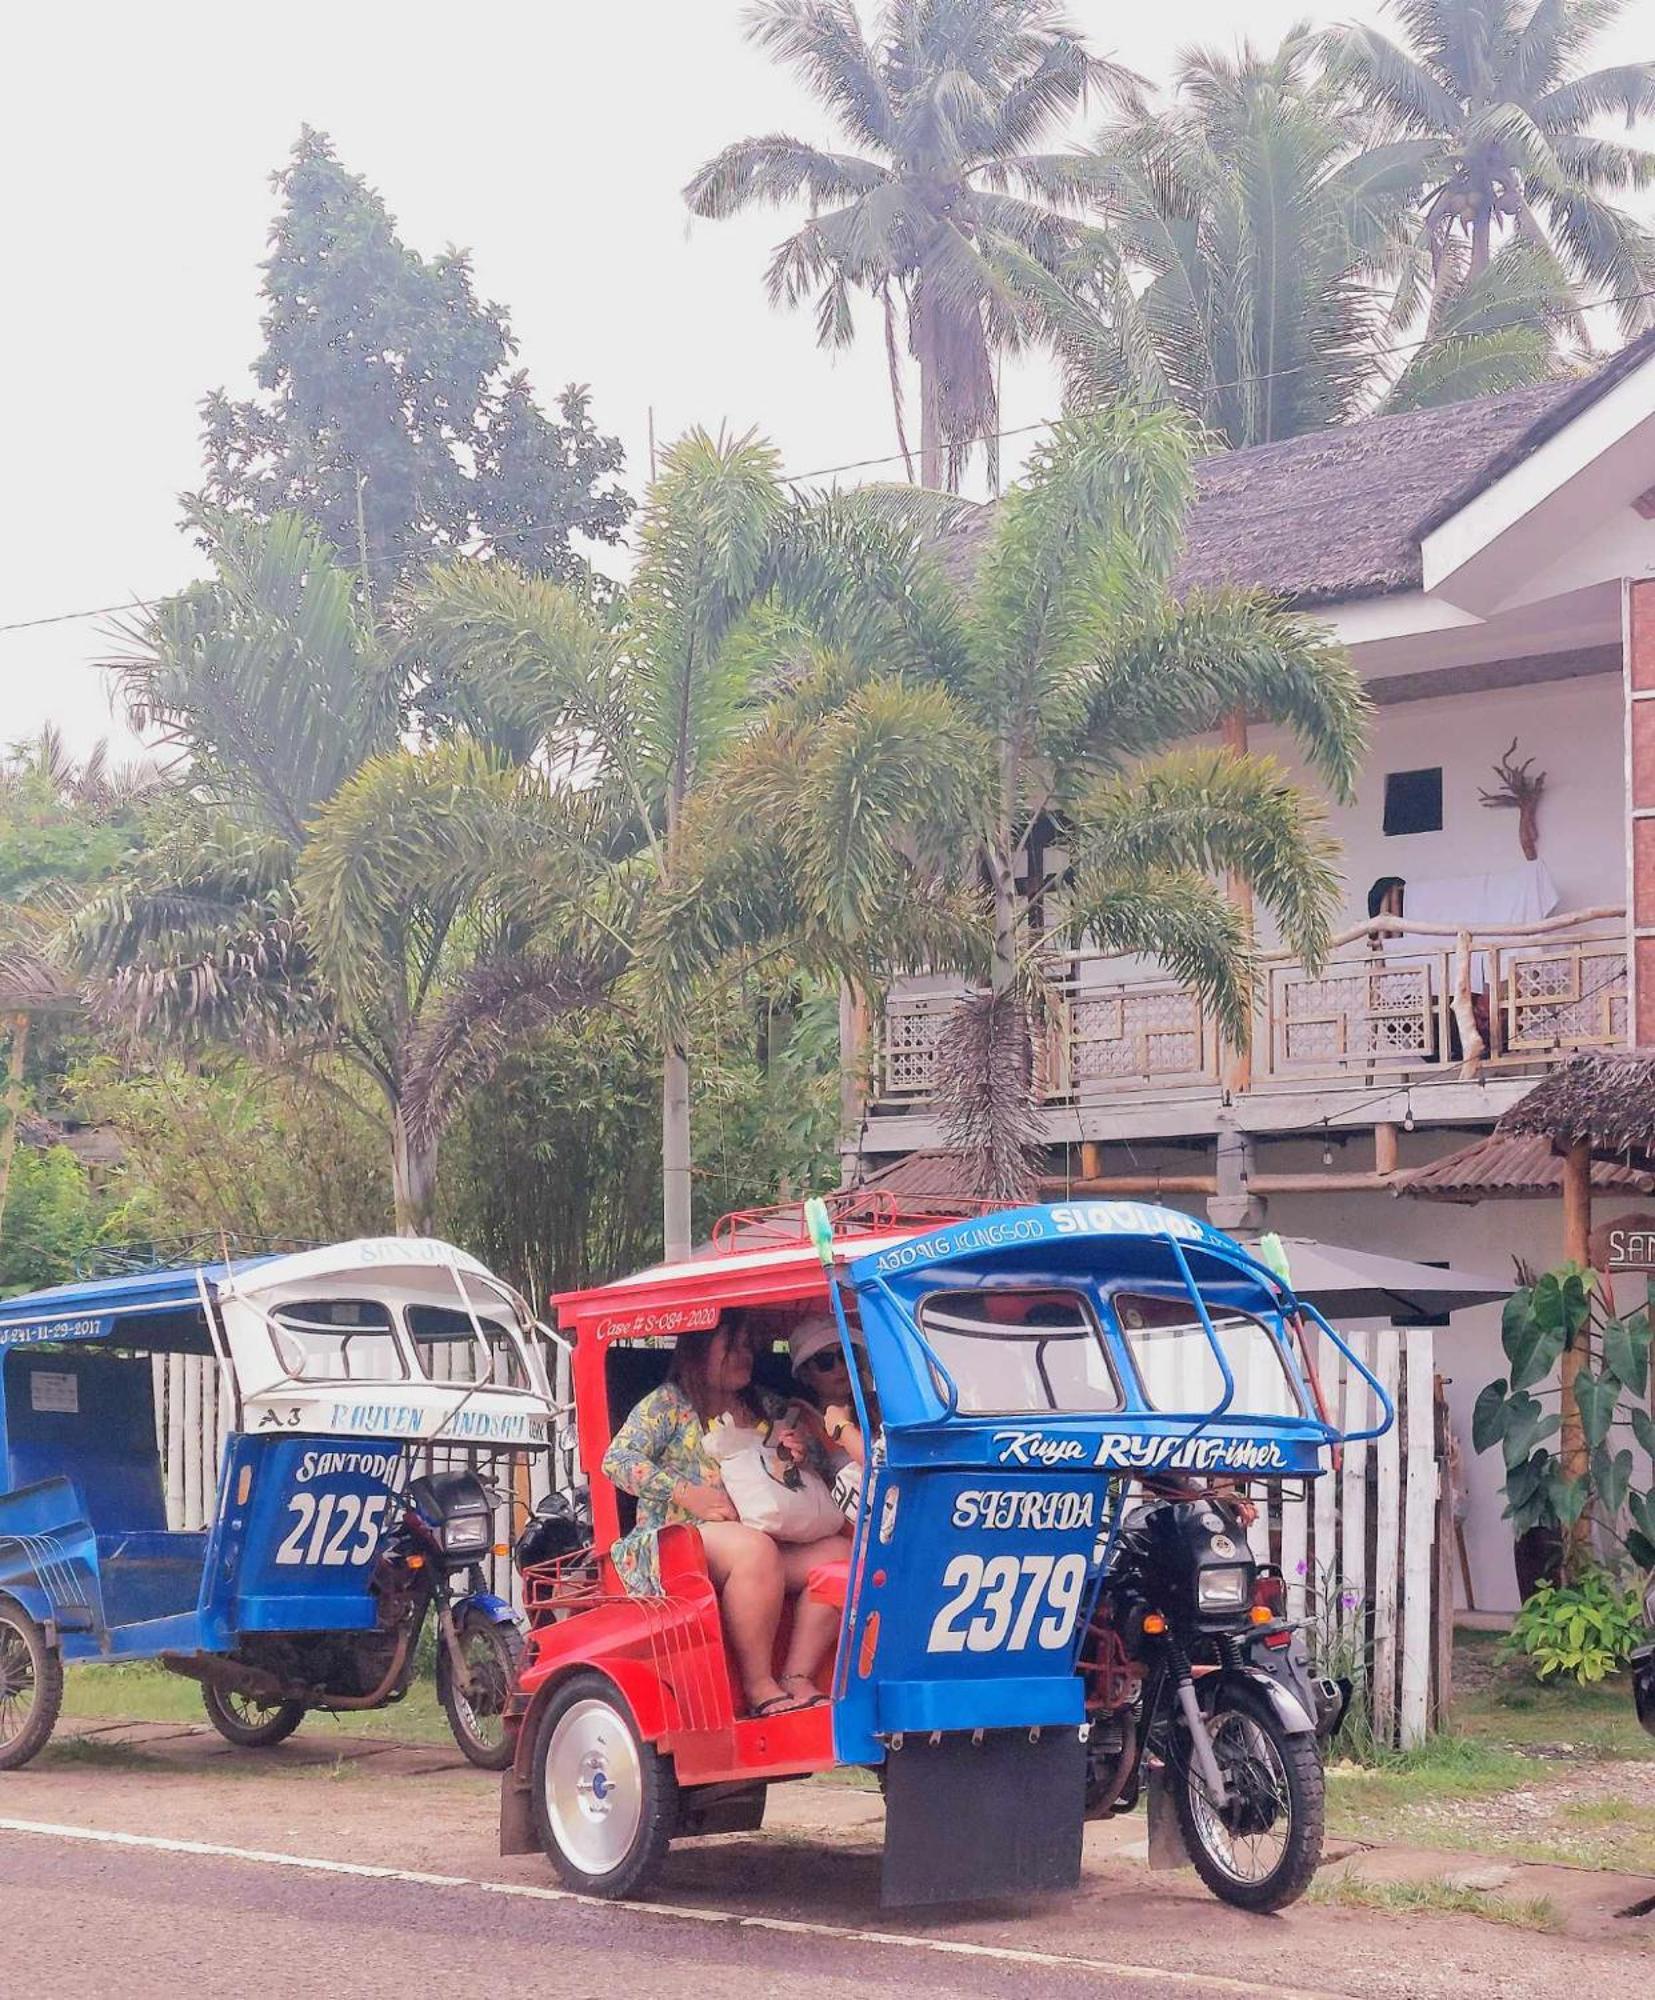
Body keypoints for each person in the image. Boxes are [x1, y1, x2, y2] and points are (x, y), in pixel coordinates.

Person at [602, 1314, 849, 1717]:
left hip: (759, 1537)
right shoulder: (669, 1403)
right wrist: (686, 1492)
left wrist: (796, 1453)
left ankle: (797, 1677)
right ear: (699, 1350)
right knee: (754, 1551)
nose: (744, 1356)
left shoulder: (766, 1404)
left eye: (748, 1346)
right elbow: (617, 1460)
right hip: (677, 1540)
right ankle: (758, 1685)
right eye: (732, 1346)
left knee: (840, 1553)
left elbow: (818, 1463)